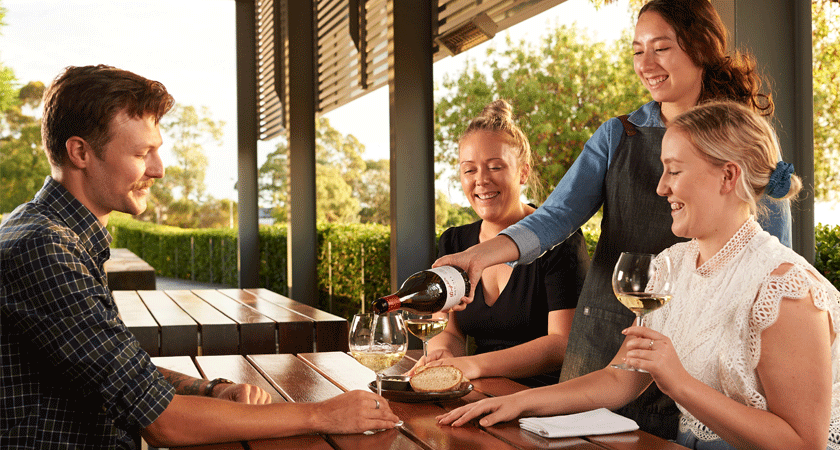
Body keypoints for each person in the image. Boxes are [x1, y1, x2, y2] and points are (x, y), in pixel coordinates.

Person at [435, 0, 791, 438]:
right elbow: (556, 216)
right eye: (638, 50)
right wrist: (480, 255)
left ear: (701, 49)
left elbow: (771, 272)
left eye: (661, 47)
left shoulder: (747, 147)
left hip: (710, 350)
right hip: (616, 338)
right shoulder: (619, 136)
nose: (647, 63)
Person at [0, 65, 399, 450]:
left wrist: (213, 389)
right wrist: (321, 415)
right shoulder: (45, 248)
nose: (158, 169)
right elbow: (163, 423)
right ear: (80, 152)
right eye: (142, 153)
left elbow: (117, 372)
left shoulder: (52, 232)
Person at [438, 99, 840, 450]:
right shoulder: (672, 265)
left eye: (674, 171)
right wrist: (518, 402)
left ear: (728, 176)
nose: (661, 188)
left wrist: (678, 382)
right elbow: (621, 379)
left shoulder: (787, 288)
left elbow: (802, 443)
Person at [409, 100, 590, 387]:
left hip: (546, 401)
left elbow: (561, 344)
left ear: (523, 173)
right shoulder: (454, 241)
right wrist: (441, 353)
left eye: (495, 167)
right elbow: (450, 331)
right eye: (469, 170)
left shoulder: (560, 241)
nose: (481, 180)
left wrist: (472, 365)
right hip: (479, 392)